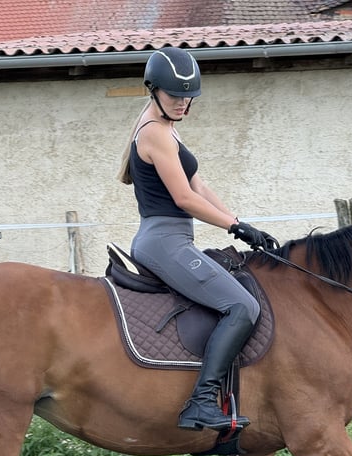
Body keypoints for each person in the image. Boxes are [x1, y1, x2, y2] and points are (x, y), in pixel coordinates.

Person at [117, 47, 277, 432]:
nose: (184, 103)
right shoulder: (155, 132)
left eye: (189, 97)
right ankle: (201, 402)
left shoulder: (165, 124)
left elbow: (197, 183)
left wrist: (239, 221)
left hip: (171, 238)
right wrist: (233, 227)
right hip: (164, 242)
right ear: (153, 90)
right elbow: (184, 198)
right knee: (242, 306)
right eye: (175, 95)